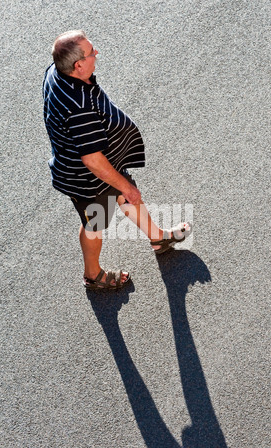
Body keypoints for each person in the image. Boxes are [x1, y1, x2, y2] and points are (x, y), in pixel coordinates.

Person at [43, 30, 190, 290]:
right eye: (91, 52)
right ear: (78, 65)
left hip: (103, 166)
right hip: (88, 180)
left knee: (127, 196)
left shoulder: (55, 72)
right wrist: (124, 185)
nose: (96, 53)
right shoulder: (79, 107)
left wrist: (124, 186)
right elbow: (92, 160)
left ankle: (158, 238)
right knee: (94, 223)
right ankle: (93, 275)